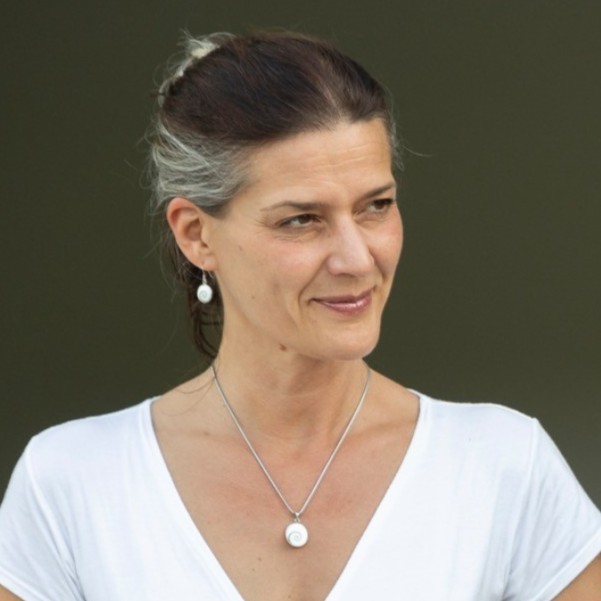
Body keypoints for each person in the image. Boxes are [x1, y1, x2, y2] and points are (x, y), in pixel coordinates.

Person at [0, 30, 600, 601]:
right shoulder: (71, 483)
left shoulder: (503, 466)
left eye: (376, 206)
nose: (357, 259)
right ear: (196, 234)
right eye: (301, 219)